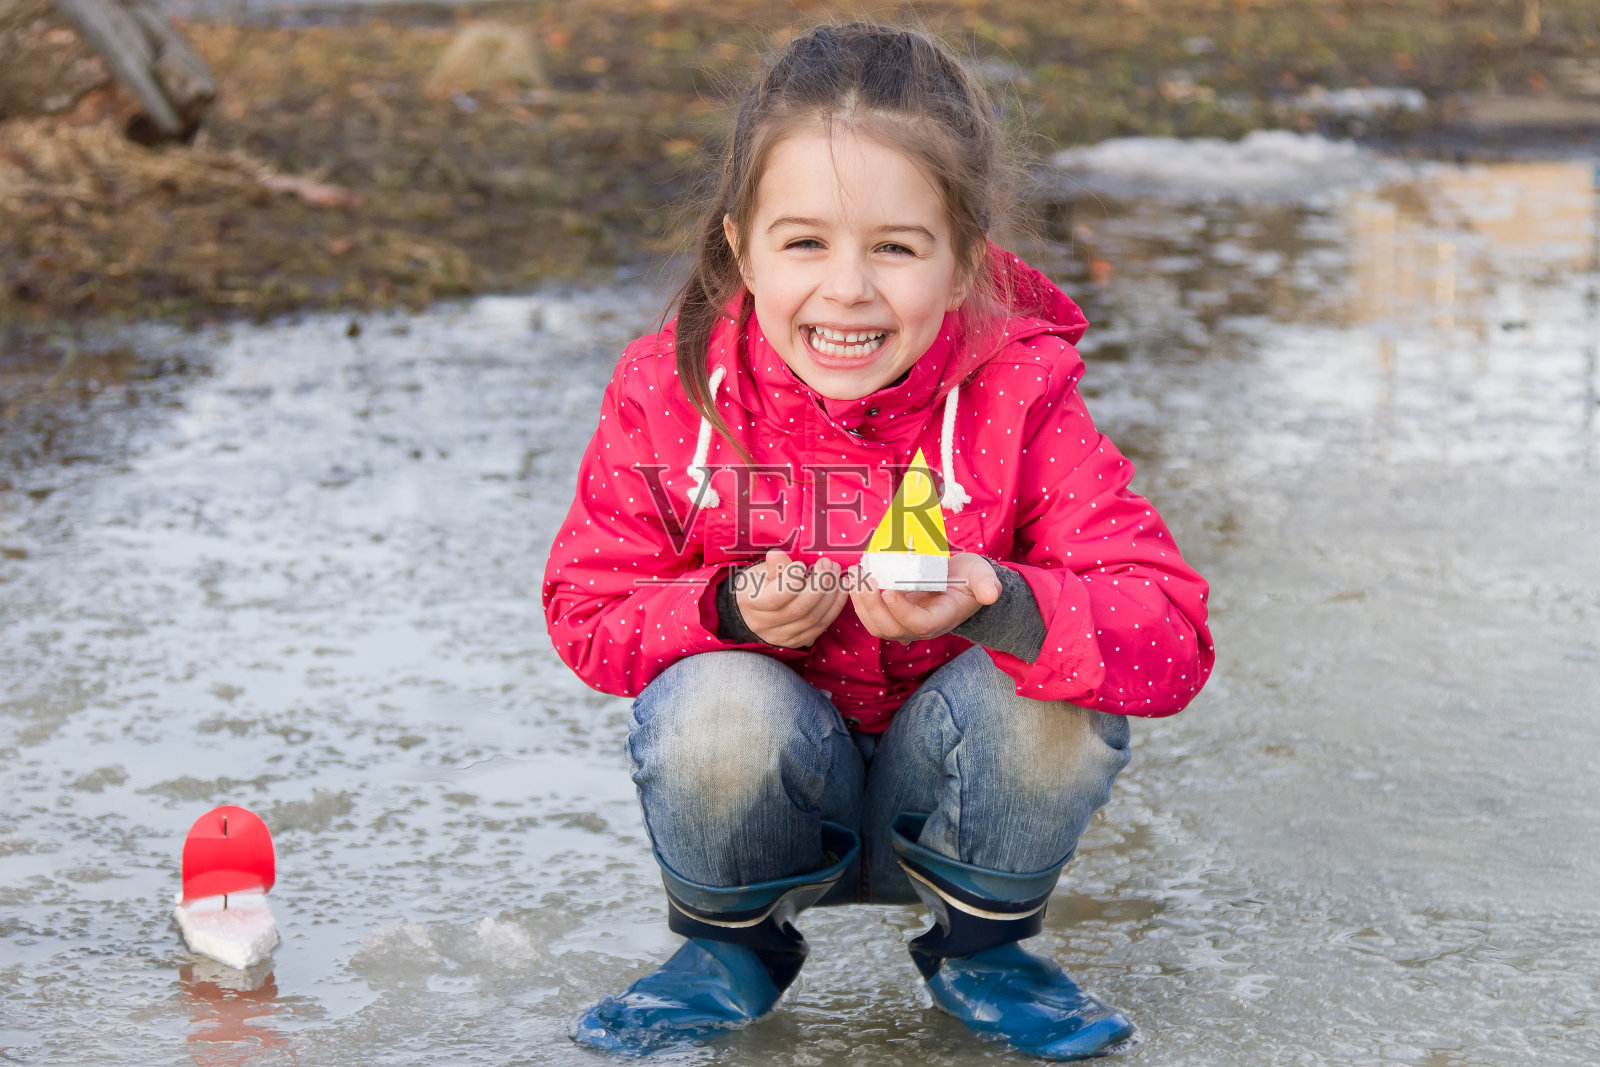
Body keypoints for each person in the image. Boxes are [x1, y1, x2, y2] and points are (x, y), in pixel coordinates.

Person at [541, 22, 1214, 1061]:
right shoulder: (670, 394)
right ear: (740, 247)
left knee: (1057, 696)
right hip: (773, 783)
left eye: (894, 247)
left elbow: (1170, 630)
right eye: (804, 241)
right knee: (710, 702)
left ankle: (982, 948)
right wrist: (722, 610)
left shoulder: (1023, 395)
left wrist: (998, 596)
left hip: (948, 787)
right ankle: (729, 944)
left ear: (961, 264)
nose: (847, 288)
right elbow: (586, 608)